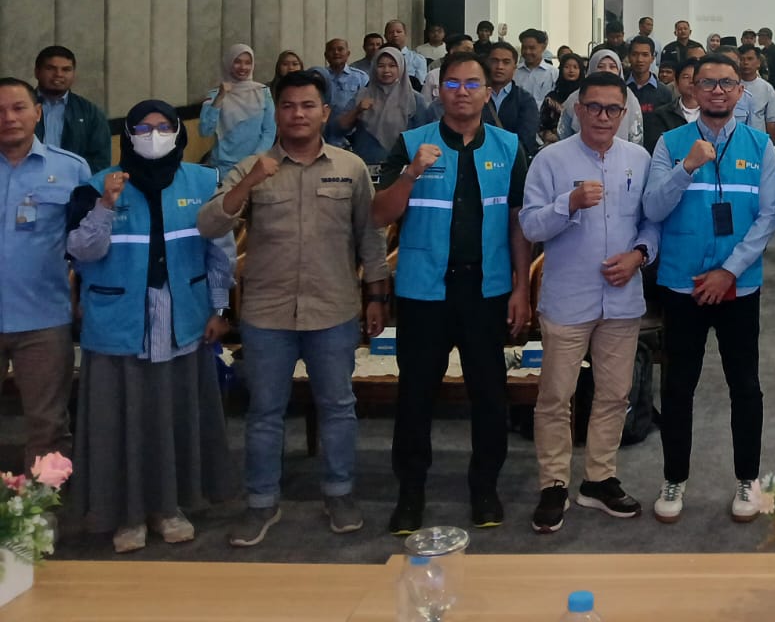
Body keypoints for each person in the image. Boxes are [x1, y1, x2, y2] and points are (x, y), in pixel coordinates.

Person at [199, 71, 389, 547]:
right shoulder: (252, 166)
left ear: (325, 112)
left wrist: (377, 296)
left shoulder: (350, 167)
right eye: (288, 106)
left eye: (308, 106)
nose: (298, 114)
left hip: (333, 309)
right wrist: (250, 182)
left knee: (338, 407)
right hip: (267, 313)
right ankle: (261, 502)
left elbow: (369, 237)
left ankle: (340, 493)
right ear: (276, 112)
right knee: (264, 411)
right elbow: (209, 224)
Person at [372, 51, 533, 535]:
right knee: (415, 395)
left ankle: (485, 488)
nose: (462, 92)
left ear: (488, 92)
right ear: (438, 90)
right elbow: (380, 214)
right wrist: (410, 173)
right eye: (453, 83)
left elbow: (517, 223)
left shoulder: (509, 146)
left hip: (486, 290)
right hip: (424, 291)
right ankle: (410, 493)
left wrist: (521, 287)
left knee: (489, 394)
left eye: (472, 84)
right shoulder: (412, 143)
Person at [68, 100, 236, 552]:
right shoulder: (96, 185)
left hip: (182, 316)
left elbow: (220, 251)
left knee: (171, 414)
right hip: (118, 321)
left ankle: (169, 507)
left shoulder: (203, 181)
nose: (153, 136)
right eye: (142, 128)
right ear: (128, 135)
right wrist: (106, 205)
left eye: (163, 127)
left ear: (179, 132)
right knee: (120, 420)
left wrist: (219, 308)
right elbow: (81, 251)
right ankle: (125, 514)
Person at [643, 53, 775, 524]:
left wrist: (729, 271)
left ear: (741, 91)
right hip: (682, 284)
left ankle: (748, 478)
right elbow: (653, 209)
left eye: (727, 83)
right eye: (708, 83)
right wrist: (685, 168)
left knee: (745, 386)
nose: (718, 90)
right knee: (678, 386)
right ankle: (674, 478)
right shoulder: (670, 144)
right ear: (692, 90)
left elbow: (768, 217)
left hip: (738, 287)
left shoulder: (759, 145)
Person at [521, 70, 656, 533]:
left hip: (621, 298)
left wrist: (639, 255)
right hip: (568, 298)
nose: (602, 116)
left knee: (615, 395)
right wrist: (570, 203)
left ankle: (599, 478)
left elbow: (652, 222)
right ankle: (553, 484)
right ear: (578, 110)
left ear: (624, 113)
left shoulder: (639, 159)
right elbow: (530, 226)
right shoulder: (550, 159)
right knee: (555, 396)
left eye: (612, 109)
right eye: (594, 107)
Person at [0, 79, 92, 470]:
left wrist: (85, 298)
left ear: (38, 112)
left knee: (48, 427)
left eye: (18, 108)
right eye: (0, 111)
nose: (8, 118)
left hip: (43, 320)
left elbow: (87, 244)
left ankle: (41, 505)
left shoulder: (71, 169)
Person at [200, 44, 276, 177]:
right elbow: (205, 131)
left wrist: (255, 158)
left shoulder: (263, 92)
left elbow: (269, 130)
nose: (243, 67)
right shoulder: (215, 94)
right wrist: (220, 98)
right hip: (223, 167)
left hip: (254, 165)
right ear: (229, 63)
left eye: (247, 63)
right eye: (237, 62)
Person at [33, 45, 112, 172]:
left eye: (66, 69)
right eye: (51, 68)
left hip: (73, 181)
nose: (58, 74)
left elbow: (100, 162)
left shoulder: (90, 113)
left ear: (73, 74)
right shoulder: (19, 108)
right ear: (37, 72)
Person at [343, 47, 423, 164]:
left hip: (401, 166)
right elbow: (339, 129)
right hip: (365, 164)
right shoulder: (361, 96)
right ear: (374, 68)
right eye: (381, 66)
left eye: (392, 66)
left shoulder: (415, 100)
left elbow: (423, 137)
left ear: (401, 68)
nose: (386, 70)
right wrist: (357, 110)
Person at [558, 50, 644, 145]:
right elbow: (563, 135)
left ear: (619, 70)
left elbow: (637, 137)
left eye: (612, 67)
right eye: (600, 66)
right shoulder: (576, 97)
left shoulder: (630, 98)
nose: (607, 71)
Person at [477, 40, 543, 158]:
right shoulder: (475, 96)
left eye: (506, 62)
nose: (499, 67)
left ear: (514, 67)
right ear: (486, 63)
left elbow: (526, 139)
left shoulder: (525, 100)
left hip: (513, 160)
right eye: (494, 61)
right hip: (477, 158)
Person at [311, 38, 368, 149]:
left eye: (340, 49)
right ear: (325, 55)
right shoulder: (319, 76)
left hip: (351, 138)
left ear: (348, 53)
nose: (336, 52)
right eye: (332, 50)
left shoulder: (361, 77)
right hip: (323, 135)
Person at [623, 35, 674, 151]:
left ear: (653, 58)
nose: (639, 60)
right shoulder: (620, 90)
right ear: (629, 57)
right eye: (635, 54)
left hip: (656, 152)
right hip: (625, 150)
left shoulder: (664, 92)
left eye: (645, 55)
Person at [733, 44, 775, 143]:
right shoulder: (730, 86)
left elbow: (771, 120)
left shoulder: (766, 88)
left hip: (758, 142)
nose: (745, 63)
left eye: (750, 59)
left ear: (758, 63)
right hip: (734, 141)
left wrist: (771, 145)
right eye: (742, 59)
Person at [539, 52, 586, 145]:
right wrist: (548, 135)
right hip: (554, 144)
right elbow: (542, 124)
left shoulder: (586, 96)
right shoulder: (551, 98)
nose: (571, 70)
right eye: (567, 67)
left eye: (575, 67)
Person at [420, 34, 476, 108]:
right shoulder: (433, 75)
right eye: (467, 49)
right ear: (452, 51)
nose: (471, 54)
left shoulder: (477, 75)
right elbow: (425, 105)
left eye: (472, 50)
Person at [654, 59, 700, 134]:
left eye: (695, 77)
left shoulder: (713, 111)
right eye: (686, 77)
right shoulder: (662, 114)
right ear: (676, 82)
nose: (691, 81)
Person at [384, 19, 429, 85]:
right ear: (385, 36)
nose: (395, 35)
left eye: (399, 32)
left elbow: (420, 84)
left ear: (405, 34)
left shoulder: (417, 59)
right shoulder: (378, 58)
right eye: (391, 32)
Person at [514, 29, 554, 101]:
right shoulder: (514, 72)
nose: (527, 52)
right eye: (524, 48)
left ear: (543, 47)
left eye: (532, 48)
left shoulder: (553, 73)